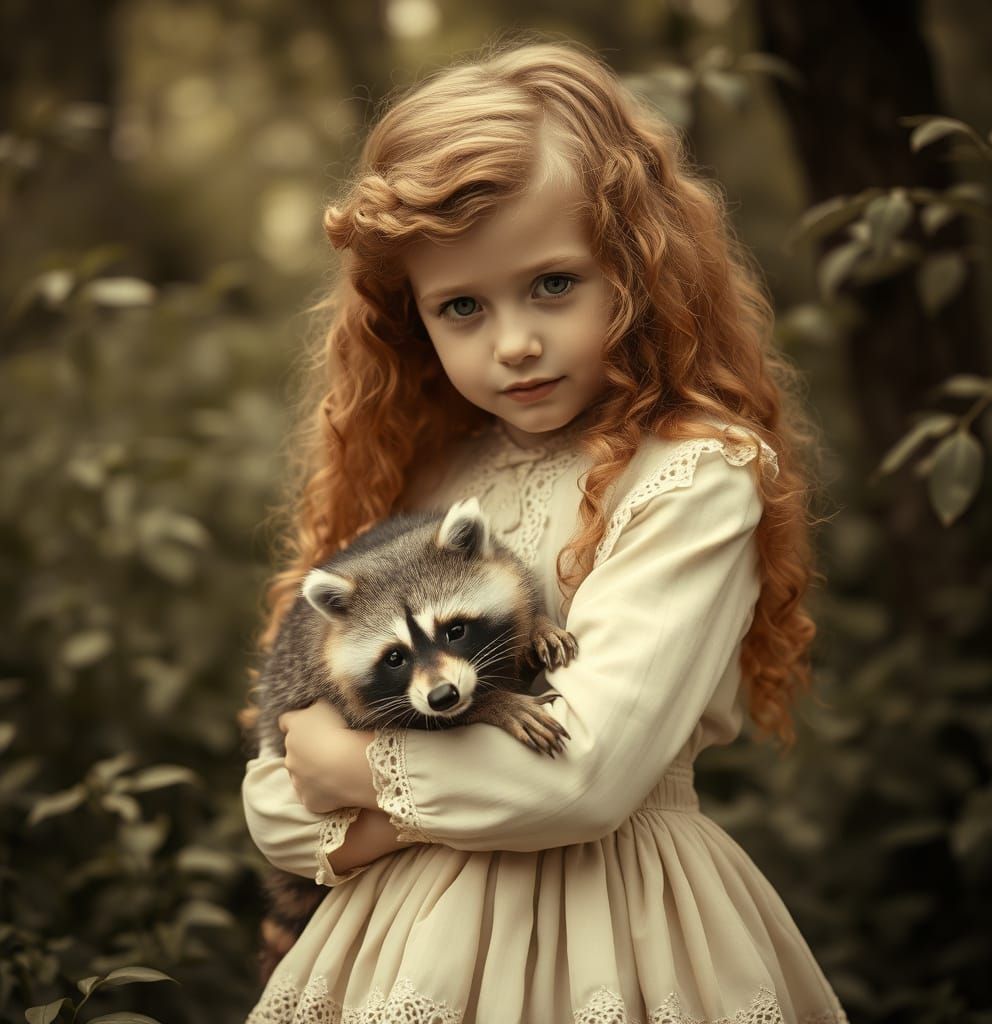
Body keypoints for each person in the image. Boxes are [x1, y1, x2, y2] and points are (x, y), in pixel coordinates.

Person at [240, 38, 849, 1024]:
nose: (514, 341)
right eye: (463, 306)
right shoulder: (431, 476)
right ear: (413, 319)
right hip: (402, 955)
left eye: (553, 284)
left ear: (638, 268)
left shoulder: (691, 473)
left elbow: (587, 776)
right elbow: (272, 797)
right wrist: (347, 802)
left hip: (622, 928)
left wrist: (356, 779)